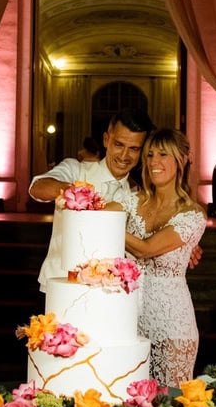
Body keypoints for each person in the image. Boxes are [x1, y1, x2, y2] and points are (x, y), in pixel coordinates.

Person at [114, 129, 207, 389]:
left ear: (182, 159)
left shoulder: (194, 215)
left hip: (172, 322)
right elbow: (98, 212)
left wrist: (109, 227)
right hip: (127, 317)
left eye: (163, 154)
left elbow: (145, 249)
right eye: (150, 155)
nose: (154, 161)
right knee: (127, 399)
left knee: (170, 402)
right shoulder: (131, 200)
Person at [29, 109, 154, 291]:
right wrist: (75, 193)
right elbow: (37, 188)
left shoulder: (139, 193)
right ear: (106, 140)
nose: (124, 156)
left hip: (110, 292)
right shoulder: (76, 170)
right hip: (61, 286)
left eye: (134, 149)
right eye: (119, 144)